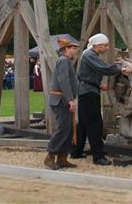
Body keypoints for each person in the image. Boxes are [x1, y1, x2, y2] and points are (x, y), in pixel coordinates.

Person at [70, 33, 131, 165]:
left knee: (84, 125)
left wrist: (98, 84)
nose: (107, 48)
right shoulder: (90, 55)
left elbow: (91, 73)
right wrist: (122, 69)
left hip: (86, 91)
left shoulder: (89, 55)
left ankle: (76, 151)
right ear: (97, 45)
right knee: (95, 124)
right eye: (105, 45)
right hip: (89, 93)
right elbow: (104, 68)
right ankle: (98, 157)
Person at [44, 38, 81, 170]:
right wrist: (70, 99)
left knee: (69, 129)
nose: (75, 50)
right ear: (66, 49)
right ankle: (50, 155)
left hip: (62, 99)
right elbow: (63, 81)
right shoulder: (64, 61)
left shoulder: (65, 61)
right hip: (61, 100)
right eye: (72, 48)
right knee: (64, 128)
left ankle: (62, 157)